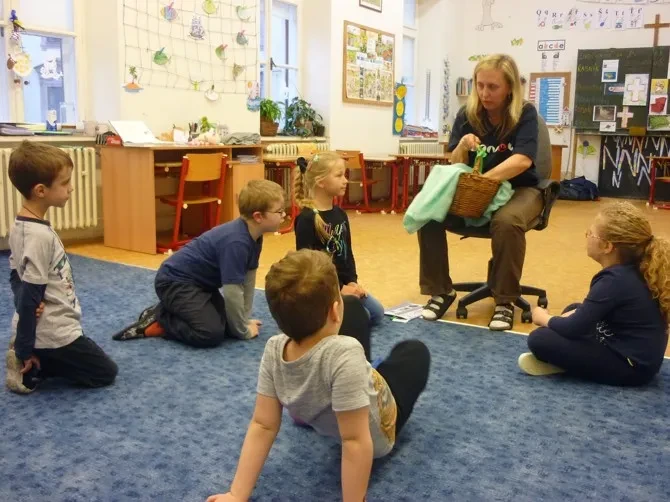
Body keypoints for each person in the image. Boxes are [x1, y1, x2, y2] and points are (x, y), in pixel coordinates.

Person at [206, 249, 430, 502]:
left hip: (324, 401)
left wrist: (236, 494)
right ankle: (362, 375)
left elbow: (263, 424)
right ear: (334, 311)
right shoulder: (347, 353)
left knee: (354, 308)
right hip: (379, 430)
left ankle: (318, 402)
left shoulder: (274, 347)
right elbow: (355, 441)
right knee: (413, 351)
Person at [418, 54, 543, 331]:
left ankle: (505, 300)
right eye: (480, 85)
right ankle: (440, 291)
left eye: (493, 87)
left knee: (507, 221)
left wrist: (485, 181)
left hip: (521, 188)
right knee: (428, 214)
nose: (485, 93)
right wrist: (463, 145)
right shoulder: (467, 114)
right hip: (474, 190)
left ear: (509, 87)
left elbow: (522, 160)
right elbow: (455, 162)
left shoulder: (525, 113)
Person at [113, 180, 285, 347]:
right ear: (258, 216)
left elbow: (248, 280)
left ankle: (174, 309)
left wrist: (242, 321)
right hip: (174, 282)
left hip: (201, 286)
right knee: (210, 333)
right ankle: (160, 318)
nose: (284, 215)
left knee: (227, 322)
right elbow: (232, 292)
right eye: (279, 211)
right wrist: (242, 331)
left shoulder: (255, 236)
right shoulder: (236, 243)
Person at [6, 141, 117, 394]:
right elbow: (29, 298)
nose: (71, 188)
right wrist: (24, 349)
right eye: (65, 183)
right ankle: (34, 364)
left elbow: (15, 276)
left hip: (45, 327)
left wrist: (22, 302)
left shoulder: (20, 226)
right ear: (41, 190)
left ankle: (36, 353)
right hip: (54, 332)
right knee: (105, 372)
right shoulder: (39, 237)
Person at [519, 201, 669, 386]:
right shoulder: (634, 269)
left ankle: (569, 363)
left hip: (632, 369)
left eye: (590, 233)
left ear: (607, 246)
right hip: (637, 357)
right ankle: (574, 360)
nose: (587, 236)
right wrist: (566, 321)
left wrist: (543, 317)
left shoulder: (613, 281)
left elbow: (573, 328)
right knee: (574, 308)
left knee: (540, 339)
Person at [294, 152, 385, 326]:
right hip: (323, 289)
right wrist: (340, 290)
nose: (345, 180)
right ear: (321, 182)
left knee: (377, 313)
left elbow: (347, 253)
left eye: (345, 175)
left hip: (343, 285)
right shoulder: (307, 219)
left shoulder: (340, 214)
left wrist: (352, 282)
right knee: (364, 317)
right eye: (339, 176)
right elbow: (307, 269)